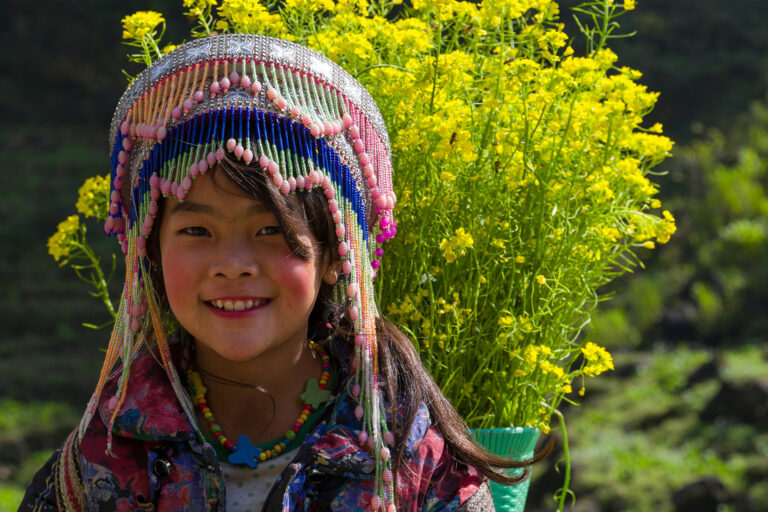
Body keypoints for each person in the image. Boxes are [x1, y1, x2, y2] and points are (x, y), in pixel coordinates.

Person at [20, 34, 546, 511]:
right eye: (196, 232)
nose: (231, 265)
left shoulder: (417, 473)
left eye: (271, 231)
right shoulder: (98, 463)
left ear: (337, 253)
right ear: (151, 255)